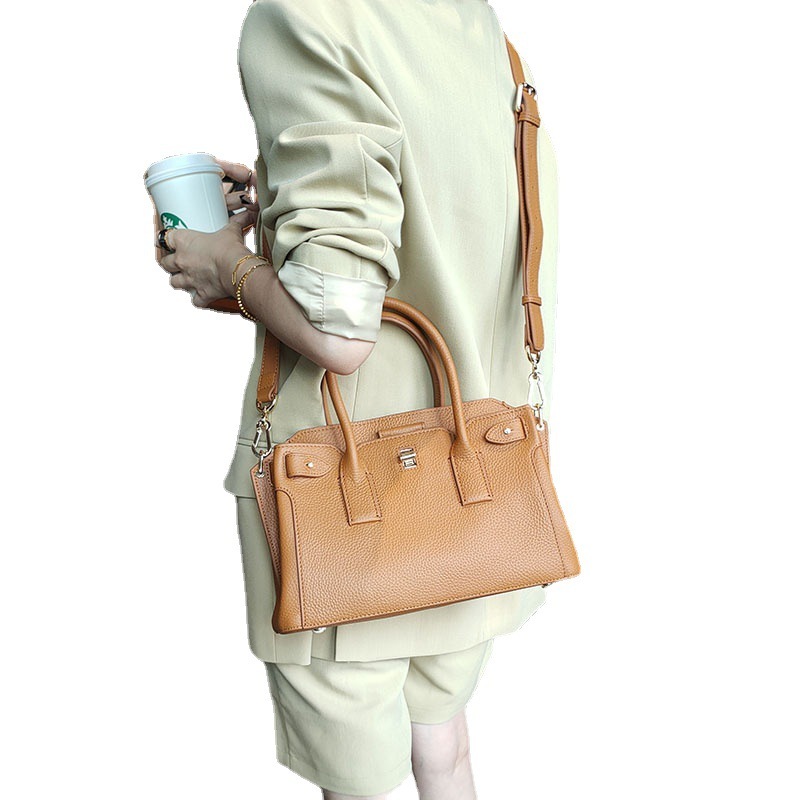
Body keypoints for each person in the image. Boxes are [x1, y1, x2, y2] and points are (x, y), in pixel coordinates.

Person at [154, 0, 560, 797]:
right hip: (473, 484)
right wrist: (284, 206)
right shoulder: (470, 21)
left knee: (362, 783)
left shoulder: (303, 17)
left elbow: (338, 330)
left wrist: (227, 266)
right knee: (445, 749)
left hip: (341, 501)